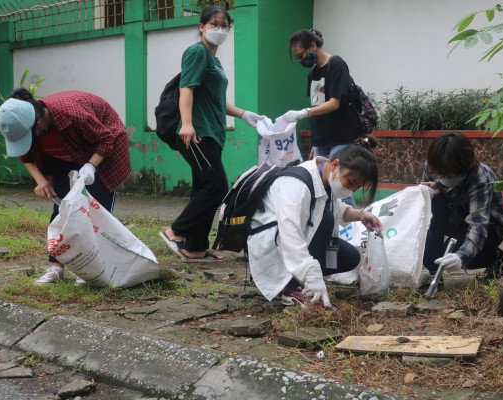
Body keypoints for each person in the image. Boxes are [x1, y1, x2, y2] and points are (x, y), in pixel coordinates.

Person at [0, 88, 131, 285]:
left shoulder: (72, 113)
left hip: (101, 151)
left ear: (39, 123)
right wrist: (41, 181)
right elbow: (25, 156)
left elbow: (106, 138)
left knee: (97, 212)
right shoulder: (24, 124)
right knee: (62, 210)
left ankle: (90, 267)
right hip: (63, 158)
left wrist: (91, 165)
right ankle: (56, 268)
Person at [160, 6, 263, 262]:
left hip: (212, 133)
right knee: (217, 187)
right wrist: (186, 123)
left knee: (203, 188)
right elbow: (187, 88)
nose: (219, 29)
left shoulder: (213, 59)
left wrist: (242, 114)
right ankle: (175, 231)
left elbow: (216, 100)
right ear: (201, 27)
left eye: (224, 25)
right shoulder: (197, 52)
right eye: (214, 24)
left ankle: (194, 247)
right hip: (197, 133)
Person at [247, 138, 382, 308]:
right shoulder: (296, 185)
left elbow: (335, 208)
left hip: (292, 240)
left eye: (357, 187)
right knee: (325, 220)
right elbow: (290, 237)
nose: (351, 190)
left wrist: (361, 215)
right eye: (351, 182)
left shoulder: (324, 179)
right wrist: (311, 277)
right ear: (335, 165)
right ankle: (291, 286)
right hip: (274, 246)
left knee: (350, 257)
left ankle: (302, 277)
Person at [282, 28, 363, 206]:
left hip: (341, 134)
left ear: (312, 46)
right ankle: (330, 225)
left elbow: (334, 103)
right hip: (322, 138)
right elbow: (317, 106)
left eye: (301, 55)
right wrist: (314, 141)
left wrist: (304, 112)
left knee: (339, 182)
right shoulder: (313, 73)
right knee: (321, 183)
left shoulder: (336, 64)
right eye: (298, 58)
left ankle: (353, 228)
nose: (301, 60)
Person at [420, 131, 503, 287]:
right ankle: (434, 274)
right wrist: (435, 192)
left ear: (464, 166)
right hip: (456, 219)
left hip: (490, 226)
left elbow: (478, 224)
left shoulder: (480, 177)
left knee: (461, 257)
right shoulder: (431, 166)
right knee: (432, 207)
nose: (442, 177)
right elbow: (425, 213)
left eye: (448, 174)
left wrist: (461, 257)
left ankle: (496, 257)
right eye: (439, 174)